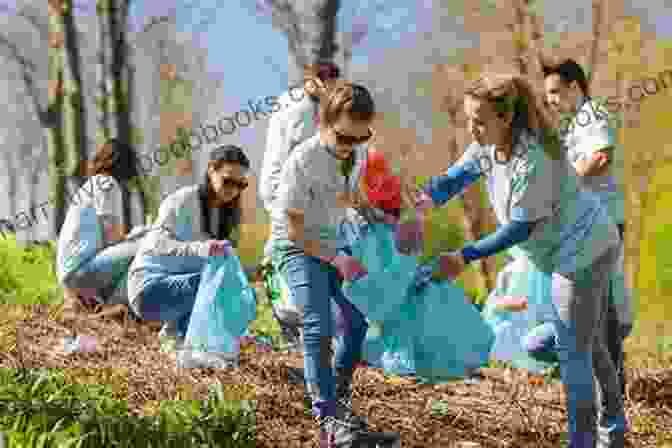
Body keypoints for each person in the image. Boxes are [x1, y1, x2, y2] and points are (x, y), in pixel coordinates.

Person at [413, 73, 625, 448]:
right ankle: (614, 427)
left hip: (584, 250)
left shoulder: (534, 157)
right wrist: (418, 204)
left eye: (480, 121)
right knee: (586, 342)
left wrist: (464, 255)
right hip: (565, 251)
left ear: (506, 118)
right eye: (469, 120)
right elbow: (454, 178)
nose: (472, 129)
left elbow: (518, 230)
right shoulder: (488, 145)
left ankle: (586, 441)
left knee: (574, 351)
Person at [269, 81, 400, 447]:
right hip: (296, 246)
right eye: (344, 137)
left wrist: (376, 215)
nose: (352, 147)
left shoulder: (355, 154)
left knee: (357, 323)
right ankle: (326, 419)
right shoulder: (302, 161)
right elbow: (294, 230)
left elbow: (348, 192)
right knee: (317, 326)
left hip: (332, 243)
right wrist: (338, 258)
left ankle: (337, 403)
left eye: (361, 138)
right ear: (323, 124)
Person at [543, 59, 634, 399]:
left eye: (555, 92)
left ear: (575, 87)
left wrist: (564, 186)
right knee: (591, 306)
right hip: (586, 226)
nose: (550, 100)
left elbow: (600, 158)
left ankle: (614, 394)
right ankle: (602, 388)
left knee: (604, 306)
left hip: (605, 222)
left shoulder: (592, 113)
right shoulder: (572, 125)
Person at [126, 145, 250, 367]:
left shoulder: (225, 215)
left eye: (241, 185)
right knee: (214, 284)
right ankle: (177, 338)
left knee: (231, 287)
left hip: (181, 288)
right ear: (211, 170)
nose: (234, 189)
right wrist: (200, 248)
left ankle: (179, 339)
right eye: (228, 181)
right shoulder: (183, 200)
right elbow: (156, 244)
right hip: (148, 288)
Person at [56, 138, 144, 327]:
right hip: (81, 273)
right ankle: (114, 306)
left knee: (138, 244)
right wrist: (139, 235)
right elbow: (112, 238)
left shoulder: (93, 184)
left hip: (71, 275)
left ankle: (106, 305)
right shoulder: (107, 184)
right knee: (146, 245)